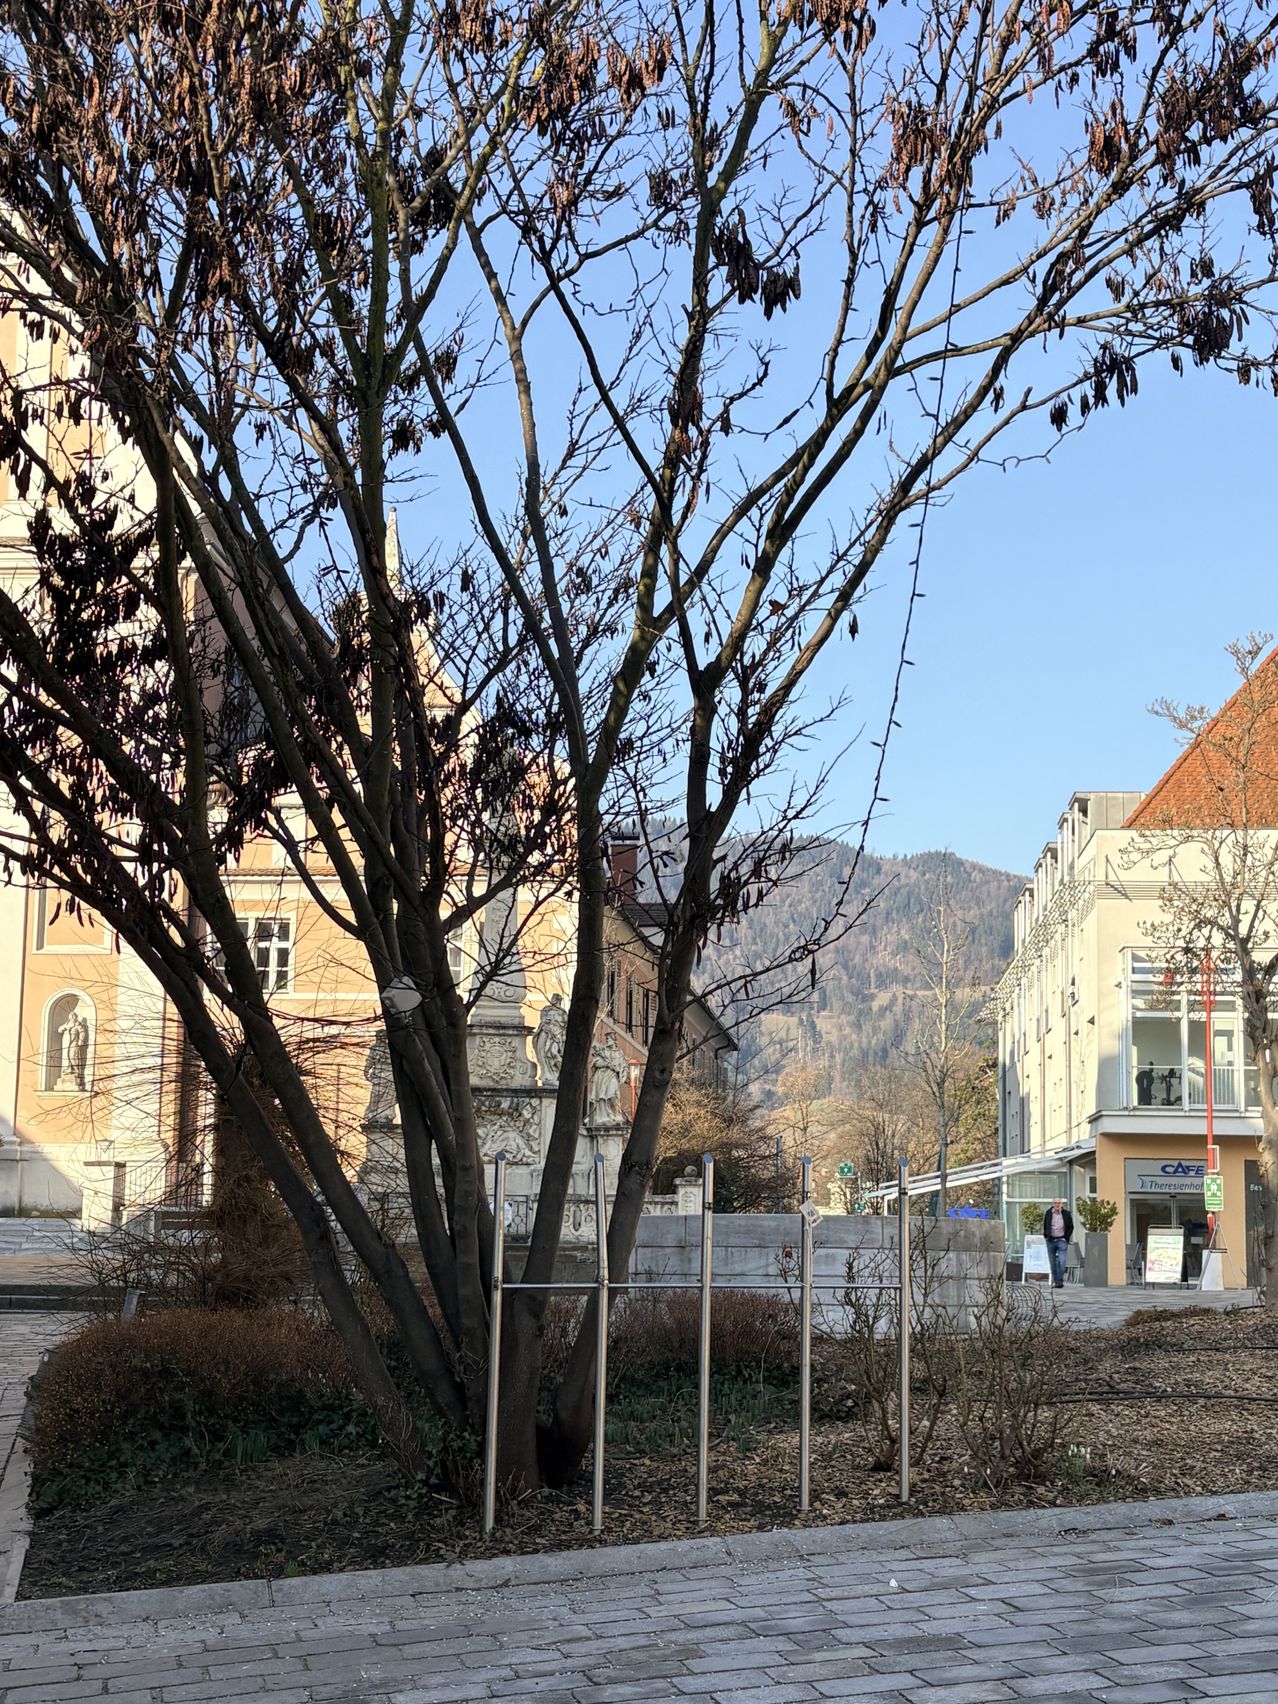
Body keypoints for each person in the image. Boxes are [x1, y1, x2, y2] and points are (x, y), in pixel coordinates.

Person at [1042, 1197, 1074, 1289]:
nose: (1057, 1205)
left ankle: (1059, 1280)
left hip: (1061, 1240)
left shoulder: (1066, 1214)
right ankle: (1057, 1281)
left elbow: (1071, 1227)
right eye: (1055, 1203)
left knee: (1062, 1261)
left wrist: (1066, 1237)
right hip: (1051, 1240)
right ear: (1053, 1204)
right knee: (1052, 1263)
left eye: (1059, 1203)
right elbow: (1045, 1225)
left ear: (1061, 1204)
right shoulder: (1048, 1213)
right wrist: (1046, 1236)